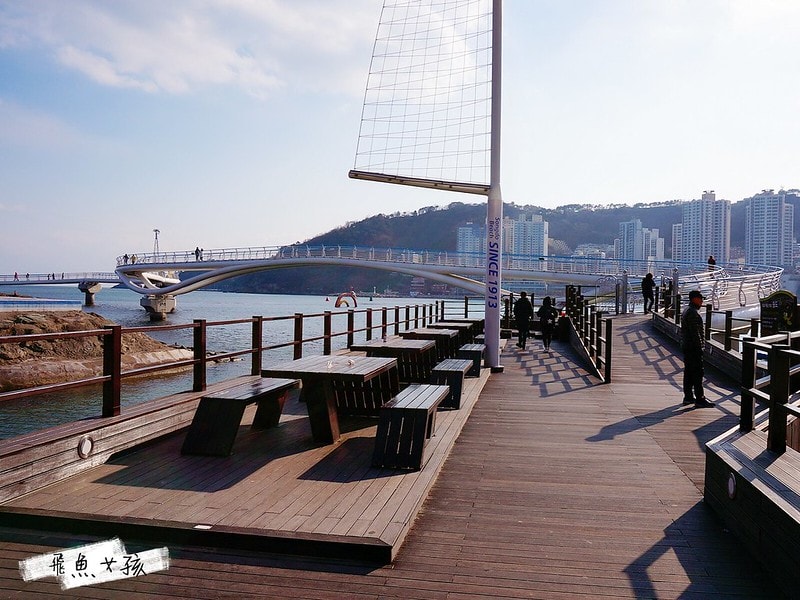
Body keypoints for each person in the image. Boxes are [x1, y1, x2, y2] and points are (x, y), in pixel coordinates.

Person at [681, 290, 714, 408]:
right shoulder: (692, 313)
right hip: (693, 348)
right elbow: (695, 333)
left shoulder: (687, 311)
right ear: (694, 299)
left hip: (687, 347)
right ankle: (700, 398)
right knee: (698, 373)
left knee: (689, 372)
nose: (702, 301)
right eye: (700, 299)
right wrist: (700, 347)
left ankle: (688, 397)